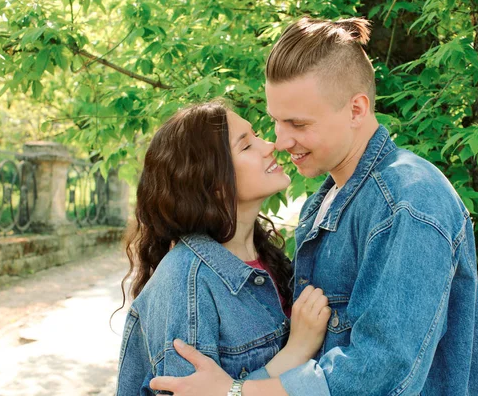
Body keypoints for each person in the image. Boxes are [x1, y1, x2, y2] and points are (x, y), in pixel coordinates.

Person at [150, 17, 478, 396]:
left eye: (297, 123)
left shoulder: (409, 202)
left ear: (356, 110)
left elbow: (380, 370)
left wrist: (236, 393)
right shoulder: (324, 203)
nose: (280, 141)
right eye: (276, 121)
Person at [115, 101, 332, 395]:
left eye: (256, 136)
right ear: (212, 181)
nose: (269, 145)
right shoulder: (186, 283)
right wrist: (296, 350)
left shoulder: (267, 257)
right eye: (246, 146)